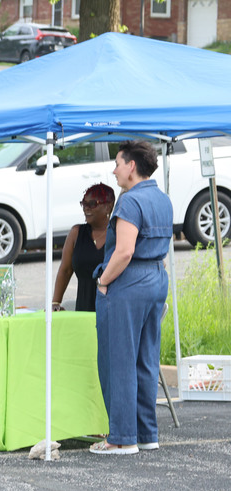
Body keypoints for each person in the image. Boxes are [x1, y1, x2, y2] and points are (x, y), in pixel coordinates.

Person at [91, 140, 172, 456]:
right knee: (146, 358)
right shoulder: (162, 199)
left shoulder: (129, 202)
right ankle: (146, 433)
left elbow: (124, 251)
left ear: (131, 166)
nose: (114, 170)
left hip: (128, 282)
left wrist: (102, 281)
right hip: (155, 277)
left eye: (117, 163)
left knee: (119, 360)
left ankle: (122, 438)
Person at [51, 184, 116, 312]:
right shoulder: (76, 232)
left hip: (112, 308)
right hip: (83, 308)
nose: (86, 208)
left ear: (108, 206)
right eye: (83, 203)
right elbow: (65, 270)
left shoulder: (119, 233)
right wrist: (55, 302)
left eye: (92, 204)